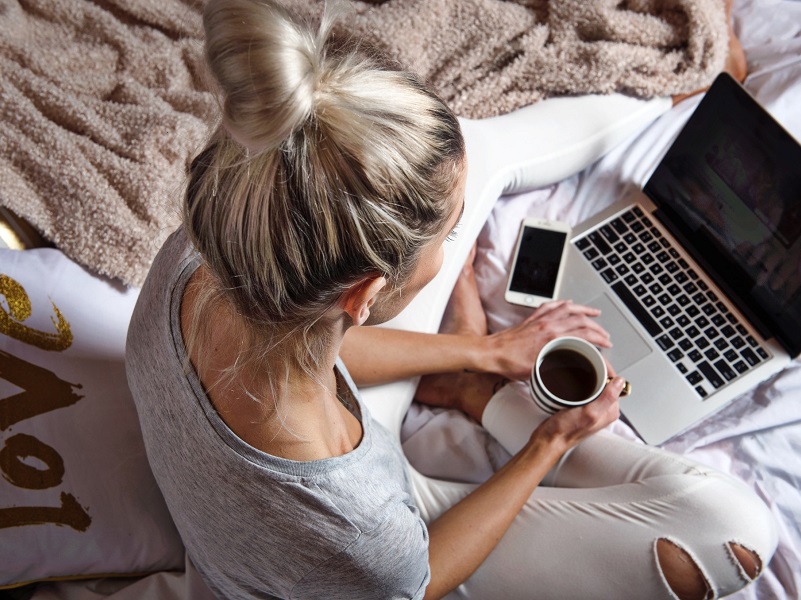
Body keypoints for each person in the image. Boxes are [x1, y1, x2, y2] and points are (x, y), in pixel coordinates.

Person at [125, 0, 776, 598]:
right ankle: (473, 396)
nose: (453, 251)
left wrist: (486, 348)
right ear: (365, 293)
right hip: (351, 543)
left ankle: (674, 94)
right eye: (452, 236)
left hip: (275, 484)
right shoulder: (359, 528)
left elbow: (309, 338)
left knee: (461, 155)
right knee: (734, 532)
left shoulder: (207, 242)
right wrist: (547, 441)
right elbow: (422, 572)